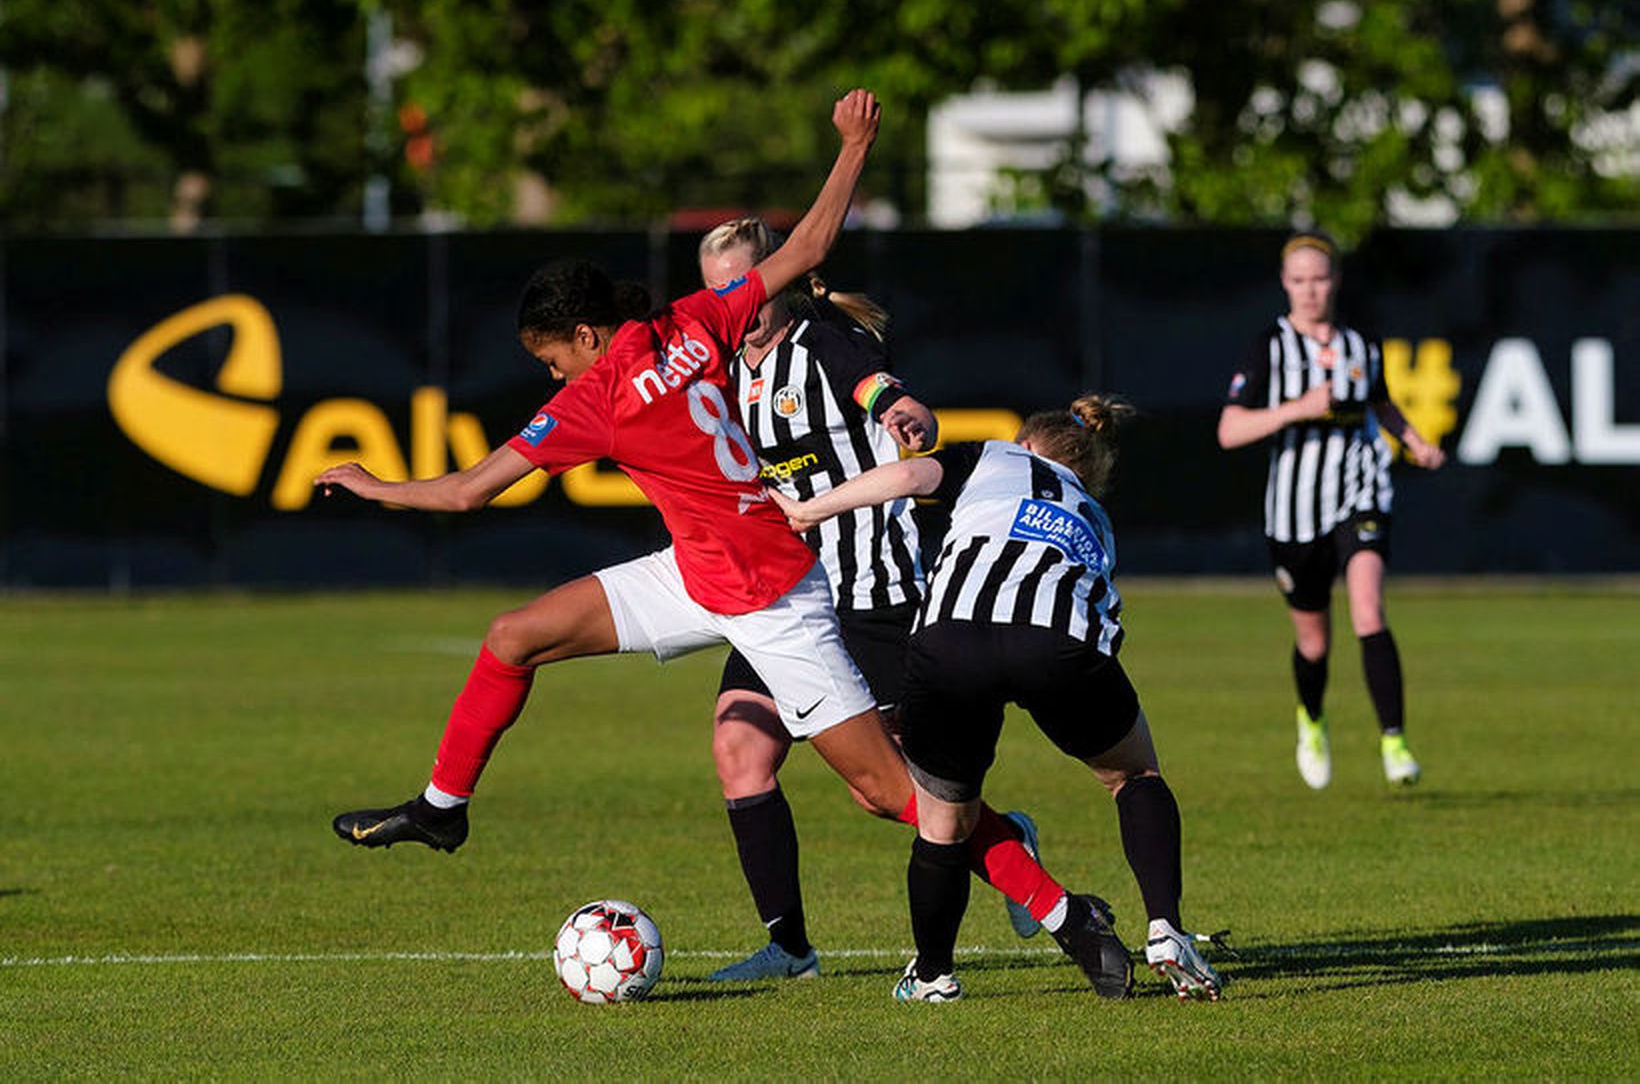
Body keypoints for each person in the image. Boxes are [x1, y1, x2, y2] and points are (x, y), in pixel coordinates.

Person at [318, 91, 1126, 997]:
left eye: (553, 359)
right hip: (697, 572)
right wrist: (854, 146)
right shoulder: (698, 321)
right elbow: (812, 249)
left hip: (777, 598)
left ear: (586, 336)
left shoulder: (597, 398)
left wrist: (372, 484)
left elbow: (469, 490)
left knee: (895, 796)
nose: (551, 376)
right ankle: (442, 810)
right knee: (516, 634)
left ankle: (1066, 912)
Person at [771, 394, 1222, 1002]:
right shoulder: (1095, 516)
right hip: (1057, 643)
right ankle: (1166, 928)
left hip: (951, 638)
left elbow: (907, 474)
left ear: (1027, 443)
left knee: (943, 823)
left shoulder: (993, 457)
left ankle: (932, 975)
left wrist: (809, 511)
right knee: (1134, 774)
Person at [694, 218, 1045, 982]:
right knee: (740, 750)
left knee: (890, 793)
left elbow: (875, 382)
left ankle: (1015, 848)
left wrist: (900, 409)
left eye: (745, 283)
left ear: (779, 279)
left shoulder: (818, 342)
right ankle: (789, 948)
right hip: (780, 595)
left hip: (871, 592)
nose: (735, 299)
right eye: (719, 287)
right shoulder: (723, 367)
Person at [1217, 232, 1446, 790]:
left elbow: (1381, 402)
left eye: (1319, 278)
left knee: (1369, 608)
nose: (1310, 290)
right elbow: (1230, 430)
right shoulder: (1269, 347)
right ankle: (1312, 720)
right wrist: (1300, 407)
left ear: (1335, 280)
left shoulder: (1361, 342)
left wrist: (1414, 441)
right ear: (1284, 284)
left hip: (1360, 490)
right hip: (1294, 512)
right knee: (1314, 641)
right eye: (1299, 280)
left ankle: (1394, 740)